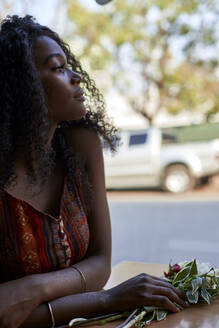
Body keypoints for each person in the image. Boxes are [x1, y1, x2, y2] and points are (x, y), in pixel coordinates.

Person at [0, 15, 187, 328]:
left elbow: (100, 265)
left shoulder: (80, 145)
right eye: (58, 68)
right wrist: (106, 300)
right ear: (20, 86)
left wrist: (32, 288)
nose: (76, 77)